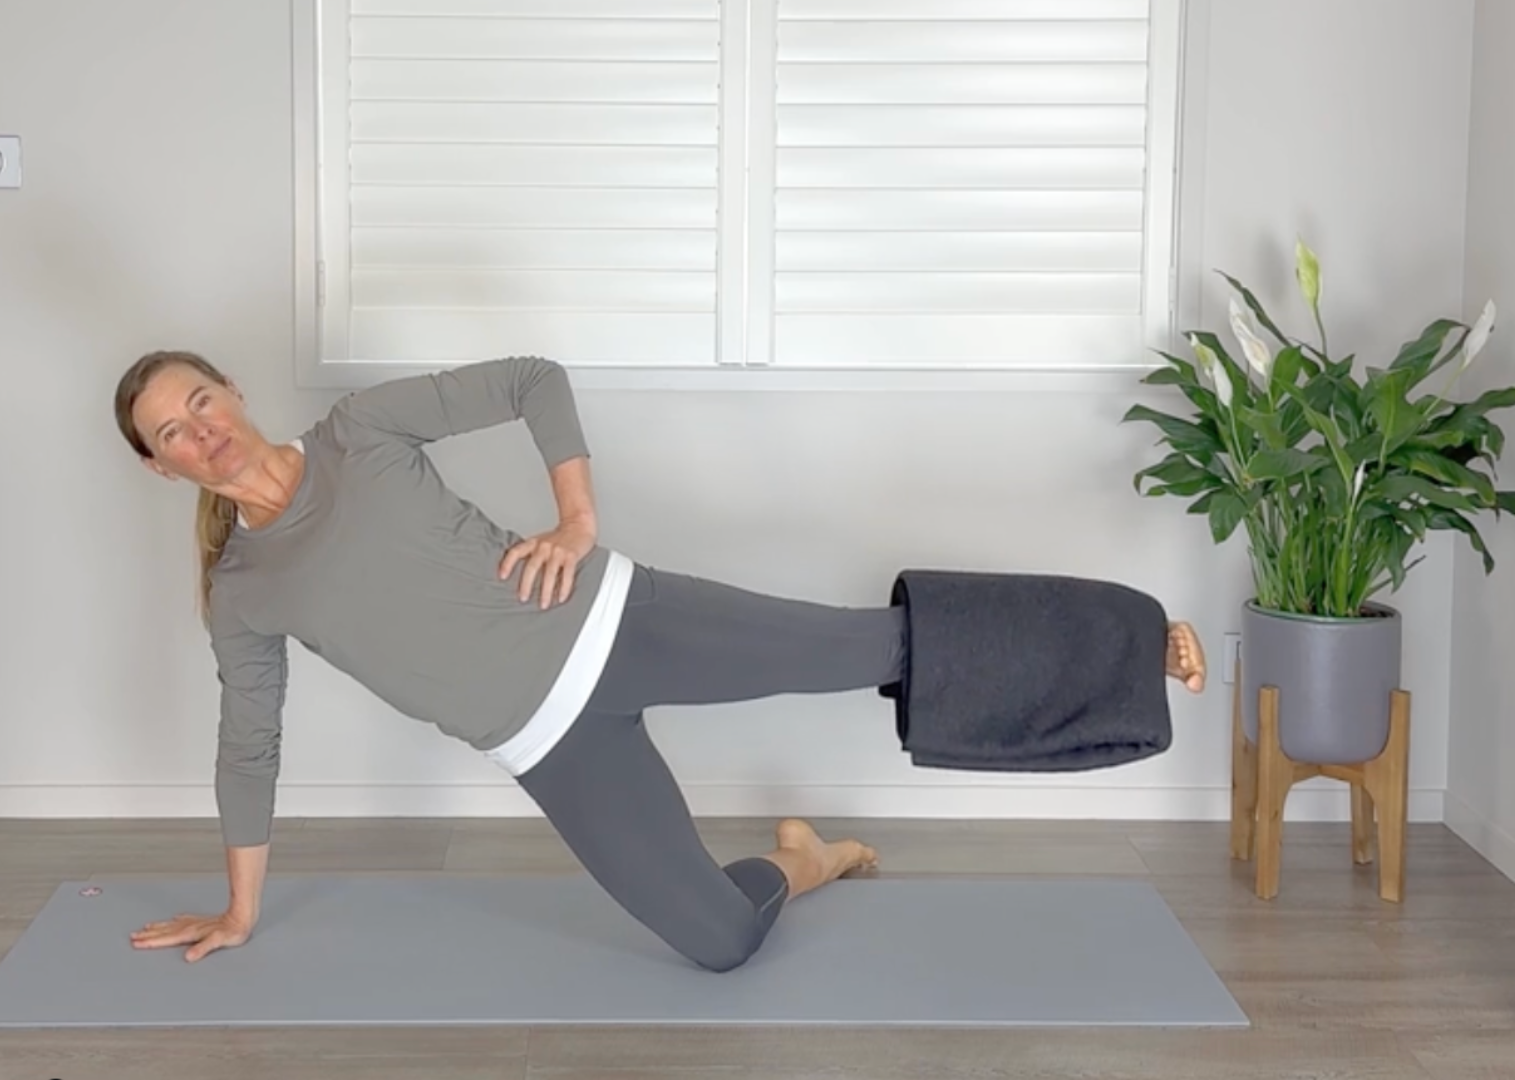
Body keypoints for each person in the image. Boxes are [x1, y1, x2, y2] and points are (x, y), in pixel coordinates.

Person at [112, 352, 1208, 973]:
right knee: (720, 941)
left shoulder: (357, 431)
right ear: (164, 471)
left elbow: (533, 380)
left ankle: (1132, 641)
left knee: (881, 647)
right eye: (170, 433)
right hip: (546, 745)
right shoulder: (245, 591)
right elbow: (248, 744)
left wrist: (574, 522)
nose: (198, 431)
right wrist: (240, 911)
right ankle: (809, 859)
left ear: (233, 392)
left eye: (198, 401)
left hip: (617, 624)